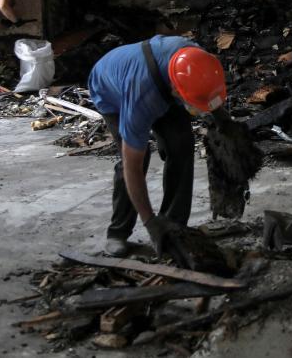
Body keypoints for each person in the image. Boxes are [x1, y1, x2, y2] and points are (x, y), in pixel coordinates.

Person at [88, 35, 235, 257]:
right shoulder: (141, 100)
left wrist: (226, 124)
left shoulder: (198, 60)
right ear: (177, 91)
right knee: (139, 157)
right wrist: (150, 223)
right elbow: (132, 167)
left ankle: (174, 226)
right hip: (111, 90)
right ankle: (117, 233)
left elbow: (208, 91)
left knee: (182, 144)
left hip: (161, 79)